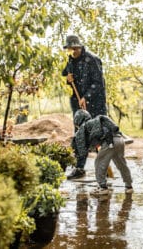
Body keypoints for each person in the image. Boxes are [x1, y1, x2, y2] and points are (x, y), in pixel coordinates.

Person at [62, 34, 107, 179]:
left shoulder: (92, 60)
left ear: (79, 47)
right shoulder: (70, 60)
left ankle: (104, 167)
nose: (72, 52)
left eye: (74, 49)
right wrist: (68, 79)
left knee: (98, 134)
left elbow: (98, 83)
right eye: (70, 49)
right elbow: (64, 74)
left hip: (95, 103)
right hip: (78, 104)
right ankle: (80, 169)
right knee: (80, 135)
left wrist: (86, 97)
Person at [71, 109, 133, 195]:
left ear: (77, 120)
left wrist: (79, 154)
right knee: (121, 164)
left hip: (109, 142)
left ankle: (103, 187)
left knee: (99, 163)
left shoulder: (83, 127)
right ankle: (129, 186)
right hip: (119, 139)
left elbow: (81, 146)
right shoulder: (97, 121)